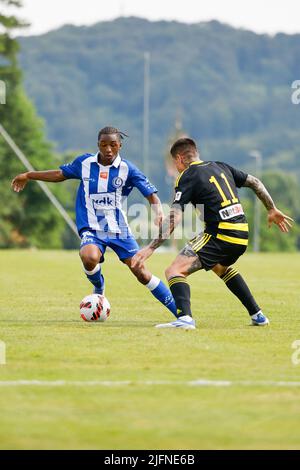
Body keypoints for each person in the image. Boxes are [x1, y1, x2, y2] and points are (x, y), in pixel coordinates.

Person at [11, 126, 177, 317]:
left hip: (118, 229)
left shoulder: (127, 169)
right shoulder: (85, 163)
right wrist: (29, 175)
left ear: (119, 146)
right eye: (103, 145)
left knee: (140, 271)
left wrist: (157, 210)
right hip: (91, 227)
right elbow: (59, 174)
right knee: (89, 257)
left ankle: (180, 313)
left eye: (113, 145)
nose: (108, 149)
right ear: (98, 144)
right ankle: (99, 286)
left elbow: (151, 194)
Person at [132, 137, 293, 329]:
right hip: (242, 233)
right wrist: (272, 209)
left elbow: (175, 216)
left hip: (221, 234)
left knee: (174, 271)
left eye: (174, 163)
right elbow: (255, 182)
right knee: (220, 267)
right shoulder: (221, 166)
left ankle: (185, 319)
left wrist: (150, 248)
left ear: (180, 158)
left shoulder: (187, 176)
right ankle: (258, 315)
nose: (176, 168)